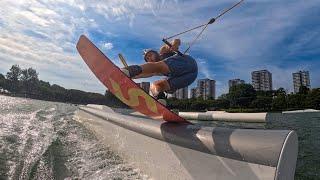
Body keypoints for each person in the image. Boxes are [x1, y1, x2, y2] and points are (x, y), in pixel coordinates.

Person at [121, 39, 198, 99]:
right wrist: (133, 76)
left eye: (150, 55)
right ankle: (160, 99)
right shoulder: (155, 70)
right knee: (156, 85)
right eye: (147, 59)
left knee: (157, 66)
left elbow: (176, 41)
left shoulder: (162, 52)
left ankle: (129, 70)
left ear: (156, 53)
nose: (150, 58)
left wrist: (174, 44)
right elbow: (144, 74)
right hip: (190, 77)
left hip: (187, 63)